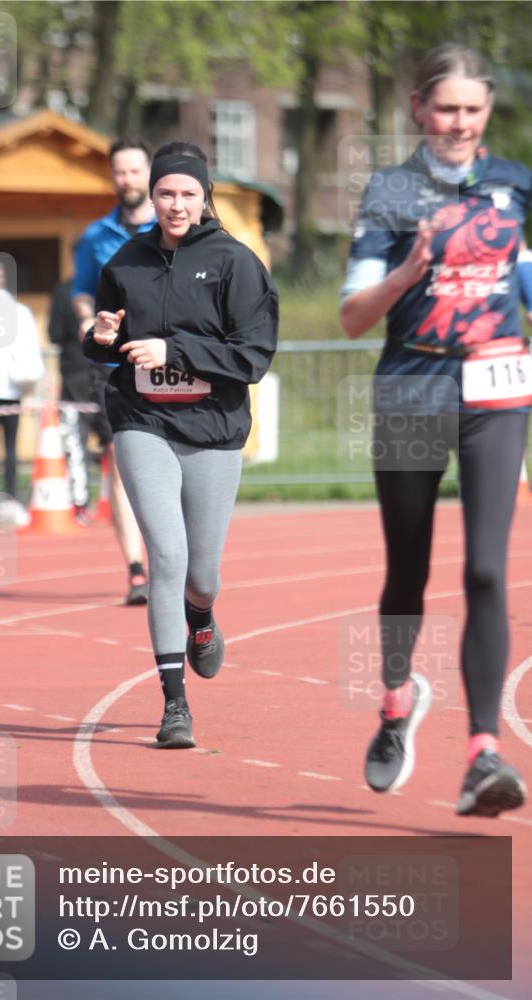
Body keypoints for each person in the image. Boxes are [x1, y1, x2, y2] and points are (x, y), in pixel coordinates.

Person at [340, 44, 531, 816]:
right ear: (418, 108)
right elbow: (353, 318)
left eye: (471, 110)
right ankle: (395, 699)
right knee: (407, 569)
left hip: (496, 383)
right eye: (445, 108)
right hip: (411, 384)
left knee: (486, 570)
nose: (458, 123)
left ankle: (482, 752)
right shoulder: (390, 192)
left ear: (486, 114)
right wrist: (406, 270)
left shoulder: (515, 185)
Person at [83, 141, 278, 748]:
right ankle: (174, 704)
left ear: (204, 196)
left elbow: (254, 357)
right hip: (143, 419)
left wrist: (178, 351)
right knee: (165, 556)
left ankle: (201, 616)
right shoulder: (125, 262)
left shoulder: (234, 263)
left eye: (187, 193)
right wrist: (100, 337)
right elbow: (103, 346)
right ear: (152, 194)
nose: (175, 204)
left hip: (214, 429)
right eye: (166, 192)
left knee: (202, 574)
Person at [73, 139, 156, 605]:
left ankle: (174, 558)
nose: (127, 179)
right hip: (111, 366)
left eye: (134, 171)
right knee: (120, 465)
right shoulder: (95, 235)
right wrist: (88, 319)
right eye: (119, 172)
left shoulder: (173, 227)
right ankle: (136, 568)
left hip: (166, 363)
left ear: (150, 173)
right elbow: (83, 290)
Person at [0, 260, 44, 526]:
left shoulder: (0, 310)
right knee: (2, 450)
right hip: (2, 389)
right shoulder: (9, 310)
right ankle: (6, 500)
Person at [47, 274, 93, 526]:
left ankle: (80, 504)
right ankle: (126, 505)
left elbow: (54, 333)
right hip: (111, 371)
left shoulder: (63, 290)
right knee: (117, 441)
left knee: (77, 440)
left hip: (75, 371)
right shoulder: (118, 279)